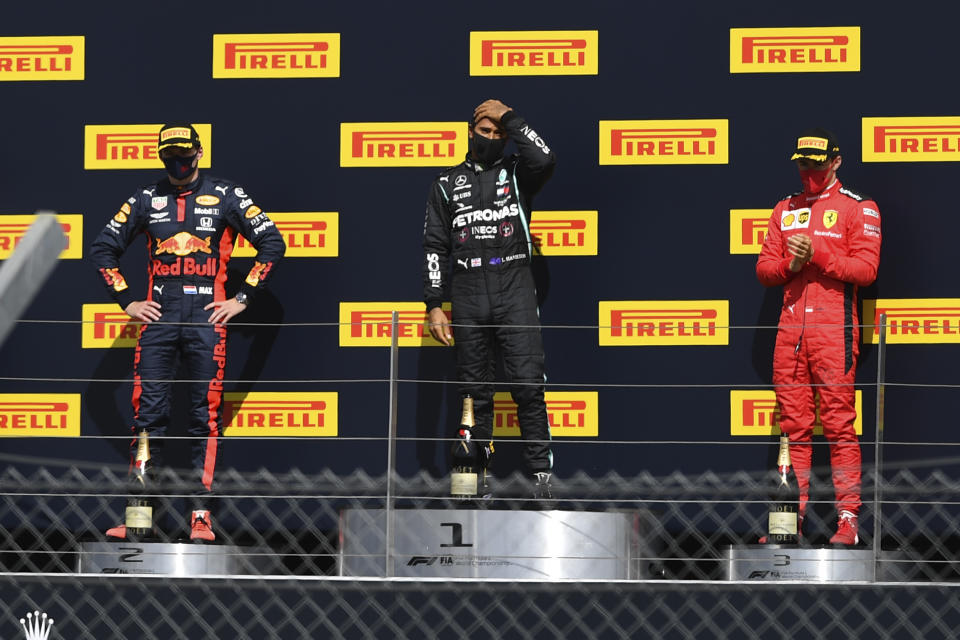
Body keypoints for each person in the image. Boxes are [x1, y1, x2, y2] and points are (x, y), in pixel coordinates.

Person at [91, 123, 286, 541]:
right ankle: (139, 513)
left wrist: (243, 298)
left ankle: (201, 514)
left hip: (206, 320)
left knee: (203, 419)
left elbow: (272, 241)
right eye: (168, 155)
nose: (176, 162)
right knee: (148, 418)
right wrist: (127, 300)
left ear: (198, 152)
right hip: (158, 322)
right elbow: (102, 247)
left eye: (183, 153)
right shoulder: (146, 199)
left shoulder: (228, 196)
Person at [422, 99, 556, 499]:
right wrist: (433, 303)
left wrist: (510, 117)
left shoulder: (517, 173)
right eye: (486, 131)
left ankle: (542, 482)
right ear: (470, 131)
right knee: (473, 393)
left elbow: (545, 158)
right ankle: (472, 483)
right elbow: (434, 246)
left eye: (499, 133)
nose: (493, 138)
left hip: (514, 284)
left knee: (528, 386)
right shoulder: (445, 184)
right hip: (466, 292)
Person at [756, 127, 881, 545]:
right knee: (792, 430)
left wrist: (820, 255)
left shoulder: (858, 208)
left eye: (816, 163)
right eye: (801, 163)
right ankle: (787, 523)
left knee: (840, 427)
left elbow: (866, 271)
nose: (808, 170)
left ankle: (848, 520)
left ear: (836, 162)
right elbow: (764, 270)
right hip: (790, 332)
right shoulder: (783, 208)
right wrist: (792, 265)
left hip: (835, 331)